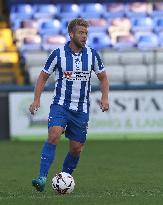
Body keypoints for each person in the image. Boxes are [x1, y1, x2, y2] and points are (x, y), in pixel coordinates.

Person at [29, 18, 109, 192]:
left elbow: (103, 77)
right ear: (71, 34)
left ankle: (63, 179)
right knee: (54, 135)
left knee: (76, 148)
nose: (84, 36)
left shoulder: (92, 54)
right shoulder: (57, 54)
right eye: (80, 33)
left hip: (81, 110)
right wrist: (36, 99)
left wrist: (105, 97)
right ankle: (42, 177)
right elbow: (43, 76)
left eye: (86, 33)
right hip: (61, 105)